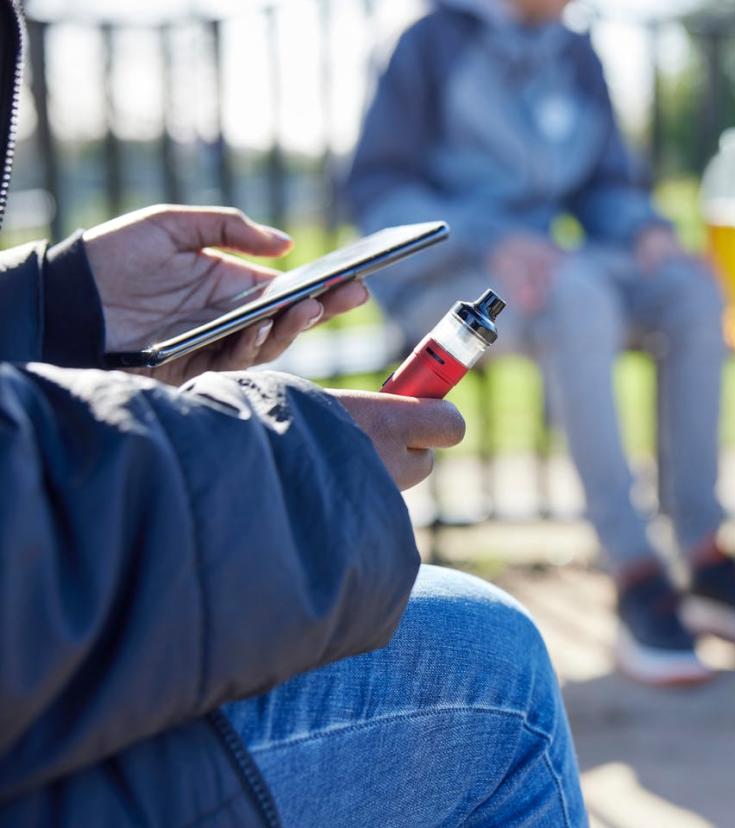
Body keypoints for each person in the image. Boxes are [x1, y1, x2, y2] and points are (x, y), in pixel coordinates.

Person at [0, 3, 585, 824]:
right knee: (489, 673)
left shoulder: (574, 51)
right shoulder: (435, 44)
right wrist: (304, 463)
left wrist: (54, 308)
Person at [346, 0, 735, 686]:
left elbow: (604, 188)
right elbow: (377, 193)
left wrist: (644, 228)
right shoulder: (428, 43)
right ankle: (635, 572)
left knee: (690, 289)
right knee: (580, 295)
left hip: (554, 268)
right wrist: (491, 235)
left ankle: (704, 554)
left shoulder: (577, 54)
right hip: (448, 277)